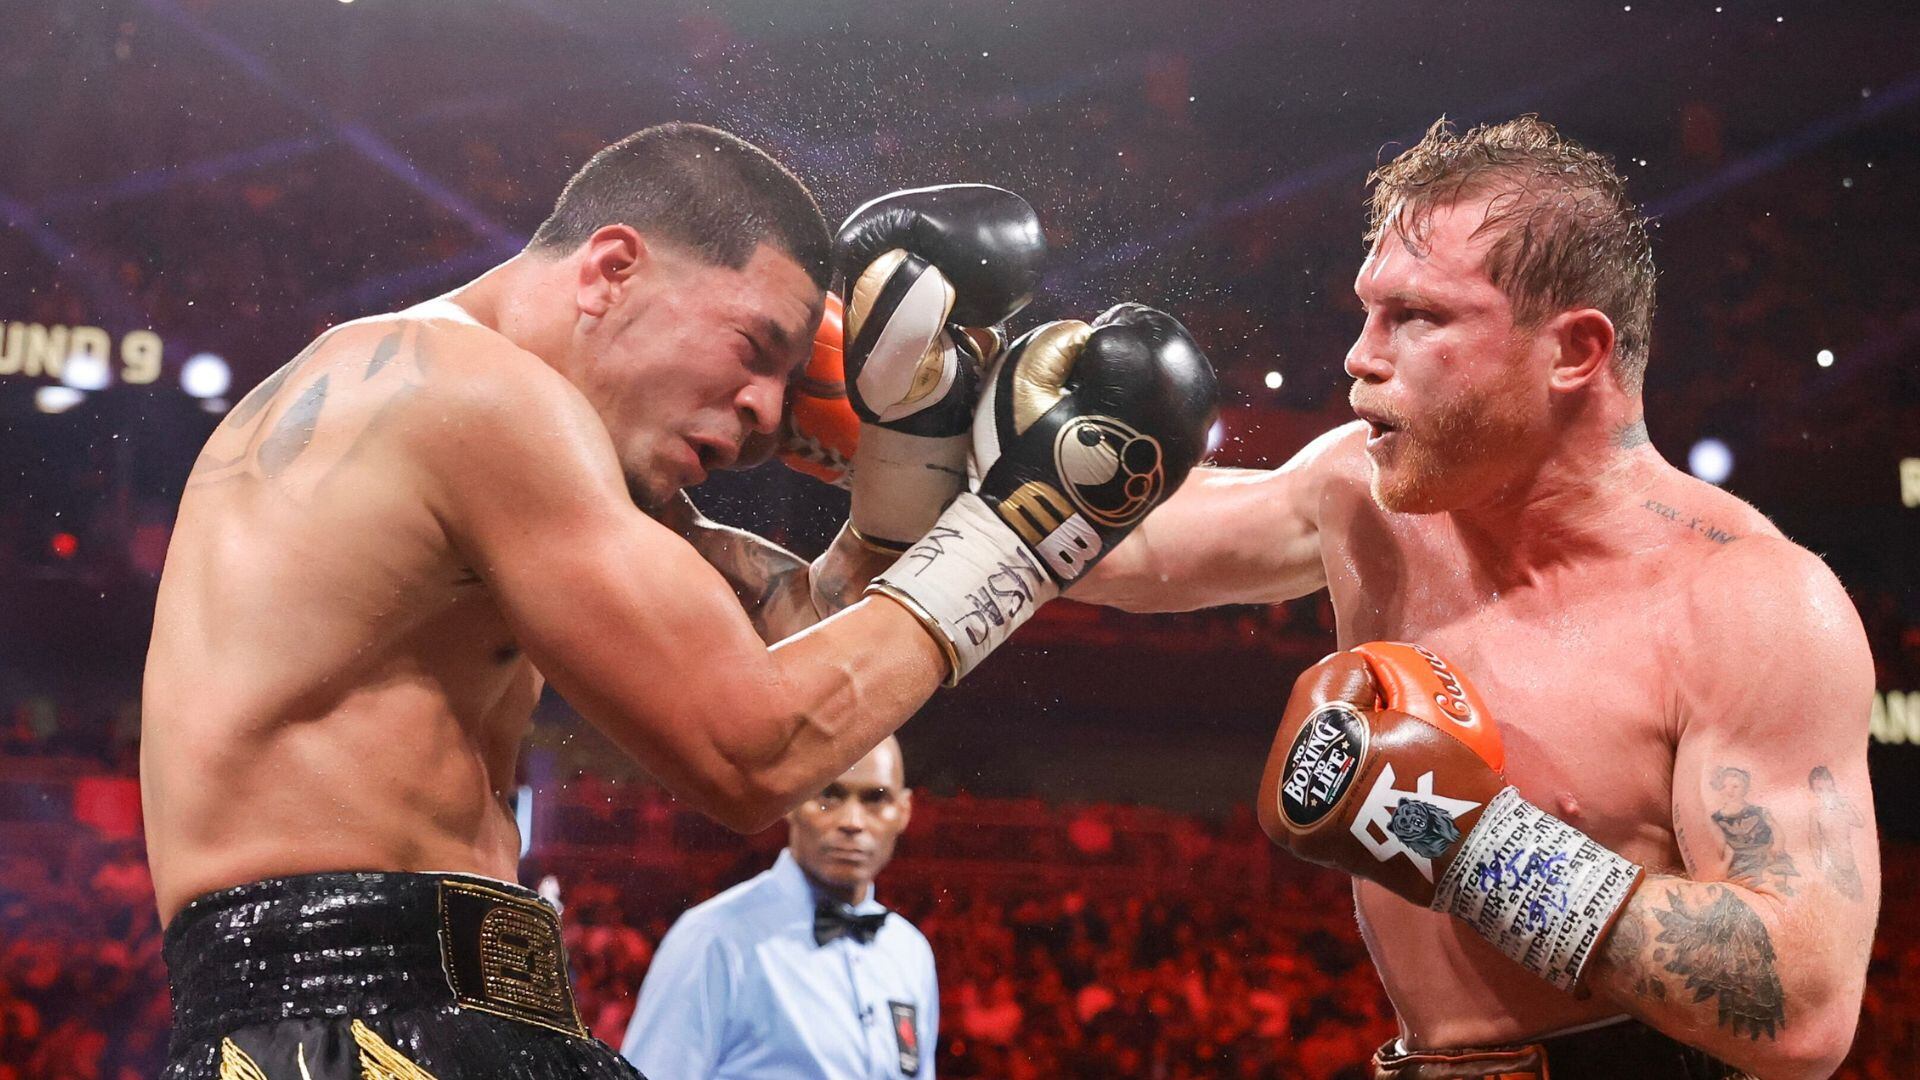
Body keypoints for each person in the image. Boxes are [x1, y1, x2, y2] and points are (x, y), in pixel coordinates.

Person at [141, 121, 1217, 1078]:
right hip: (339, 1024)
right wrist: (1024, 530)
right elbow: (754, 750)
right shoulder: (468, 393)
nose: (765, 419)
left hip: (442, 1011)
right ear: (612, 269)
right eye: (755, 351)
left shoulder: (500, 433)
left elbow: (805, 663)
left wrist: (910, 472)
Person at [1077, 115, 1878, 1079]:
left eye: (1416, 317)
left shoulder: (1749, 602)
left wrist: (1469, 843)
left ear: (1574, 351)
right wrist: (940, 423)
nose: (1359, 356)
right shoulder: (1366, 495)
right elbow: (1120, 545)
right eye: (1368, 310)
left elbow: (1803, 1007)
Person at [620, 736, 936, 1079]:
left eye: (875, 798)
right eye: (829, 794)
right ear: (789, 801)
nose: (852, 821)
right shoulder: (713, 937)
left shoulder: (910, 952)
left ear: (904, 811)